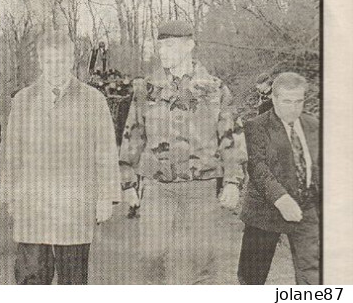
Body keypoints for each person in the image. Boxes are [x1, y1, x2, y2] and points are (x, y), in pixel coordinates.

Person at [116, 19, 243, 284]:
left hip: (201, 187)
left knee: (200, 262)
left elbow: (231, 138)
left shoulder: (215, 89)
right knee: (151, 256)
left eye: (170, 46)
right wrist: (128, 184)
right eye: (160, 46)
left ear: (189, 46)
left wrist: (232, 182)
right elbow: (133, 135)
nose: (163, 52)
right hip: (158, 188)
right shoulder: (147, 90)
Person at [0, 28, 120, 284]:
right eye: (49, 61)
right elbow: (10, 152)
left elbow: (106, 151)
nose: (55, 67)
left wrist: (106, 198)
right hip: (33, 207)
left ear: (71, 60)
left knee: (73, 281)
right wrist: (8, 193)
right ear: (40, 61)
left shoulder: (93, 101)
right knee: (31, 279)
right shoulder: (22, 101)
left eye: (61, 60)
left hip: (74, 208)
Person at [238, 72, 320, 285]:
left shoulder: (314, 125)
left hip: (307, 206)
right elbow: (258, 168)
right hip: (265, 209)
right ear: (273, 99)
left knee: (312, 272)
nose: (293, 108)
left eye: (298, 101)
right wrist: (281, 199)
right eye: (286, 101)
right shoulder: (256, 126)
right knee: (252, 277)